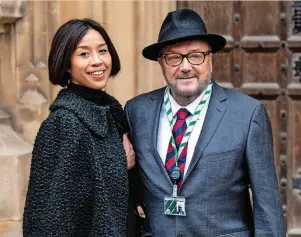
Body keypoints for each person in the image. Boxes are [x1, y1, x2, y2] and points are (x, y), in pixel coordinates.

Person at [125, 8, 285, 236]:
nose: (186, 66)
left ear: (210, 59)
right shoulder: (136, 111)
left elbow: (267, 209)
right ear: (161, 63)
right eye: (173, 57)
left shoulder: (248, 113)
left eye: (196, 55)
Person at [23, 18, 135, 237]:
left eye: (102, 51)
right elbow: (50, 217)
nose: (97, 61)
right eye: (84, 54)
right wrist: (121, 164)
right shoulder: (62, 124)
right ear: (66, 63)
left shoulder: (113, 113)